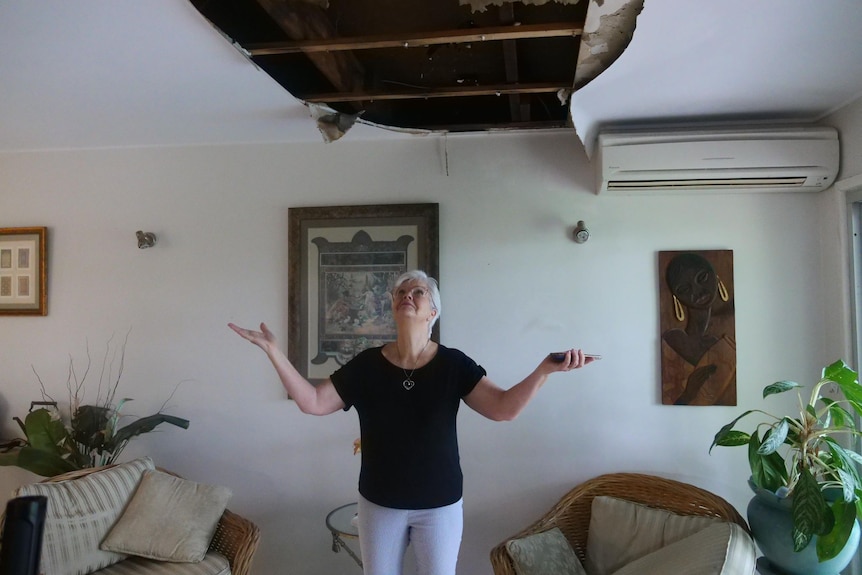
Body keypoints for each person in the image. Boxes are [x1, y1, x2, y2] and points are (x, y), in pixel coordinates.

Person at [228, 270, 596, 575]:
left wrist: (544, 370)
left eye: (418, 291)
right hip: (379, 502)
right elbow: (312, 402)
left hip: (440, 505)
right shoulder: (368, 365)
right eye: (401, 291)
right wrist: (273, 351)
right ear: (392, 307)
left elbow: (503, 409)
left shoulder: (454, 364)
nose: (407, 295)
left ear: (432, 312)